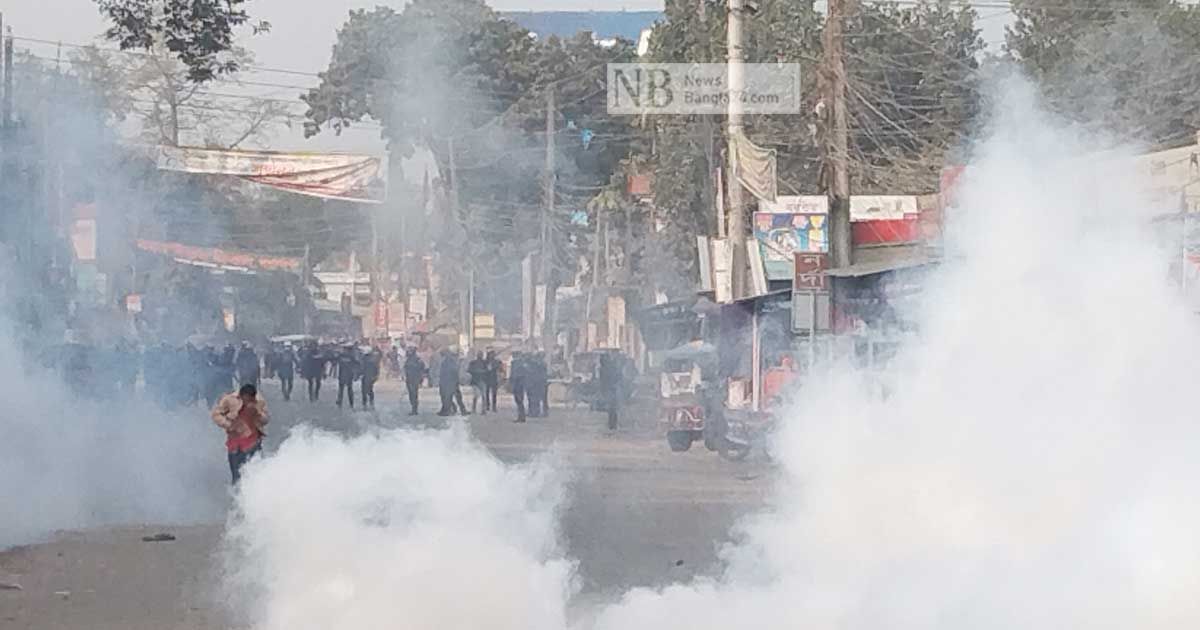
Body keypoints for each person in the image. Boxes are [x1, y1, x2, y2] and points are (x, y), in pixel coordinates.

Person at [211, 383, 269, 485]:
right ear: (241, 396)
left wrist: (258, 413)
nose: (248, 402)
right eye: (245, 399)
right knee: (236, 474)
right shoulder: (229, 400)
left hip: (253, 441)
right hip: (235, 444)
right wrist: (229, 425)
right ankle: (238, 497)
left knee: (255, 471)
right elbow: (216, 415)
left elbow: (266, 419)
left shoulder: (259, 401)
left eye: (250, 399)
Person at [437, 348, 466, 416]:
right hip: (449, 381)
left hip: (450, 382)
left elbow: (453, 370)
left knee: (447, 397)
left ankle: (449, 410)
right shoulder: (447, 360)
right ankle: (450, 409)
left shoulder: (448, 361)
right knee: (449, 397)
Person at [598, 353, 622, 431]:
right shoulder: (611, 367)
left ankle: (612, 424)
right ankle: (612, 424)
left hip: (610, 389)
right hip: (612, 389)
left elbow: (602, 380)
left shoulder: (603, 369)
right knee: (612, 407)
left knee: (611, 407)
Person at [403, 347, 426, 415]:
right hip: (409, 379)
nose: (408, 352)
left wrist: (420, 379)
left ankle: (414, 409)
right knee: (411, 394)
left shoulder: (418, 360)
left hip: (415, 379)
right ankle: (413, 408)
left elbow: (422, 369)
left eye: (410, 351)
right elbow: (405, 368)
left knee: (414, 394)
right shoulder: (408, 359)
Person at [335, 345, 360, 409]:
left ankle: (350, 403)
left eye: (346, 349)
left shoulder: (350, 356)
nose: (345, 350)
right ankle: (340, 402)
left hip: (348, 375)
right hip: (343, 375)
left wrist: (356, 373)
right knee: (342, 390)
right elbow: (334, 361)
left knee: (348, 390)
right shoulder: (343, 356)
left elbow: (357, 364)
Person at [467, 351, 489, 416]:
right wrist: (476, 371)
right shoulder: (473, 363)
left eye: (481, 355)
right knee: (476, 395)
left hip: (483, 381)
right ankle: (473, 409)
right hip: (475, 381)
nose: (480, 356)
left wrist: (482, 371)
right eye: (479, 355)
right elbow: (469, 370)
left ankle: (483, 410)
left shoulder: (485, 363)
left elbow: (488, 370)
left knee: (484, 396)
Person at [509, 351, 528, 423]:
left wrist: (511, 383)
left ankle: (521, 417)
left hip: (517, 383)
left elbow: (513, 374)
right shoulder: (522, 363)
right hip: (521, 383)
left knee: (519, 400)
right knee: (520, 401)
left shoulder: (515, 363)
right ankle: (521, 416)